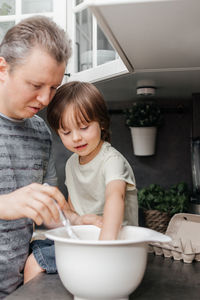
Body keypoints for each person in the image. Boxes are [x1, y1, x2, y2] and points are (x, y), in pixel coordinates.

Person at [0, 17, 101, 299]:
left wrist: (76, 221)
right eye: (36, 85)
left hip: (15, 289)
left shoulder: (41, 132)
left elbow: (46, 211)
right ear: (2, 69)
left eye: (54, 87)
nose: (46, 99)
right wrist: (4, 203)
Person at [24, 80, 138, 282]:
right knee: (35, 247)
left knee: (35, 262)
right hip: (84, 240)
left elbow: (115, 198)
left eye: (84, 127)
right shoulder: (71, 164)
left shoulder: (111, 161)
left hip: (113, 244)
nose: (76, 138)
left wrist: (105, 251)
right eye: (66, 132)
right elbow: (72, 212)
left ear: (101, 123)